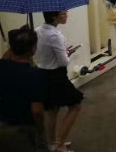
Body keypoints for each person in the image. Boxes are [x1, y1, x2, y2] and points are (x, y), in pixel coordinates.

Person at [0, 26, 47, 152]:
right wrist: (41, 130)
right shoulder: (34, 75)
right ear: (32, 50)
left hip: (0, 126)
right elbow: (37, 111)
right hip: (22, 131)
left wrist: (15, 43)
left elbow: (6, 56)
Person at [36, 11, 83, 152]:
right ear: (54, 17)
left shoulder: (38, 30)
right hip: (57, 76)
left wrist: (63, 52)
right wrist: (67, 54)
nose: (67, 14)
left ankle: (52, 144)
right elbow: (63, 62)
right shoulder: (55, 35)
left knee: (52, 110)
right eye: (63, 13)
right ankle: (60, 144)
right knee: (75, 106)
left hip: (43, 74)